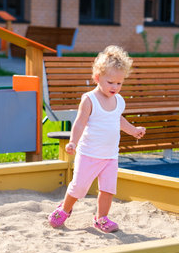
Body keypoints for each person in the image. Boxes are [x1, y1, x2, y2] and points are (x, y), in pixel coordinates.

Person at [48, 45, 146, 233]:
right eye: (111, 82)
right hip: (89, 154)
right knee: (78, 188)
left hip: (110, 156)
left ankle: (101, 218)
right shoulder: (90, 99)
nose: (115, 87)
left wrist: (133, 130)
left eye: (119, 83)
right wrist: (73, 142)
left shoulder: (119, 101)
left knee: (108, 189)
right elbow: (79, 123)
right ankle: (65, 209)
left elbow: (118, 119)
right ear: (97, 78)